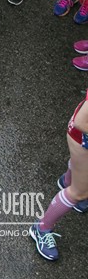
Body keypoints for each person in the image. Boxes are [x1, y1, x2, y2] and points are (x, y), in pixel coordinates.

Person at [27, 87, 88, 262]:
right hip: (82, 137)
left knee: (81, 176)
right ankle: (42, 228)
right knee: (79, 192)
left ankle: (68, 180)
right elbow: (81, 122)